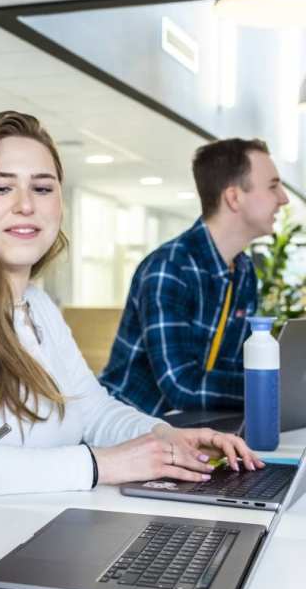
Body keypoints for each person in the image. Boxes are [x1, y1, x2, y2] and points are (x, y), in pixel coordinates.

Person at [0, 111, 258, 497]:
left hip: (56, 524)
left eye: (43, 188)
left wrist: (165, 437)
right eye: (1, 188)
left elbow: (94, 411)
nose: (26, 205)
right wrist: (102, 463)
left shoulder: (37, 304)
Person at [100, 137, 288, 415]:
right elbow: (183, 387)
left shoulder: (244, 272)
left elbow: (236, 368)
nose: (283, 198)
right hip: (132, 431)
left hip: (196, 428)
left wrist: (275, 386)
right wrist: (269, 388)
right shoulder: (169, 268)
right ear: (234, 197)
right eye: (273, 186)